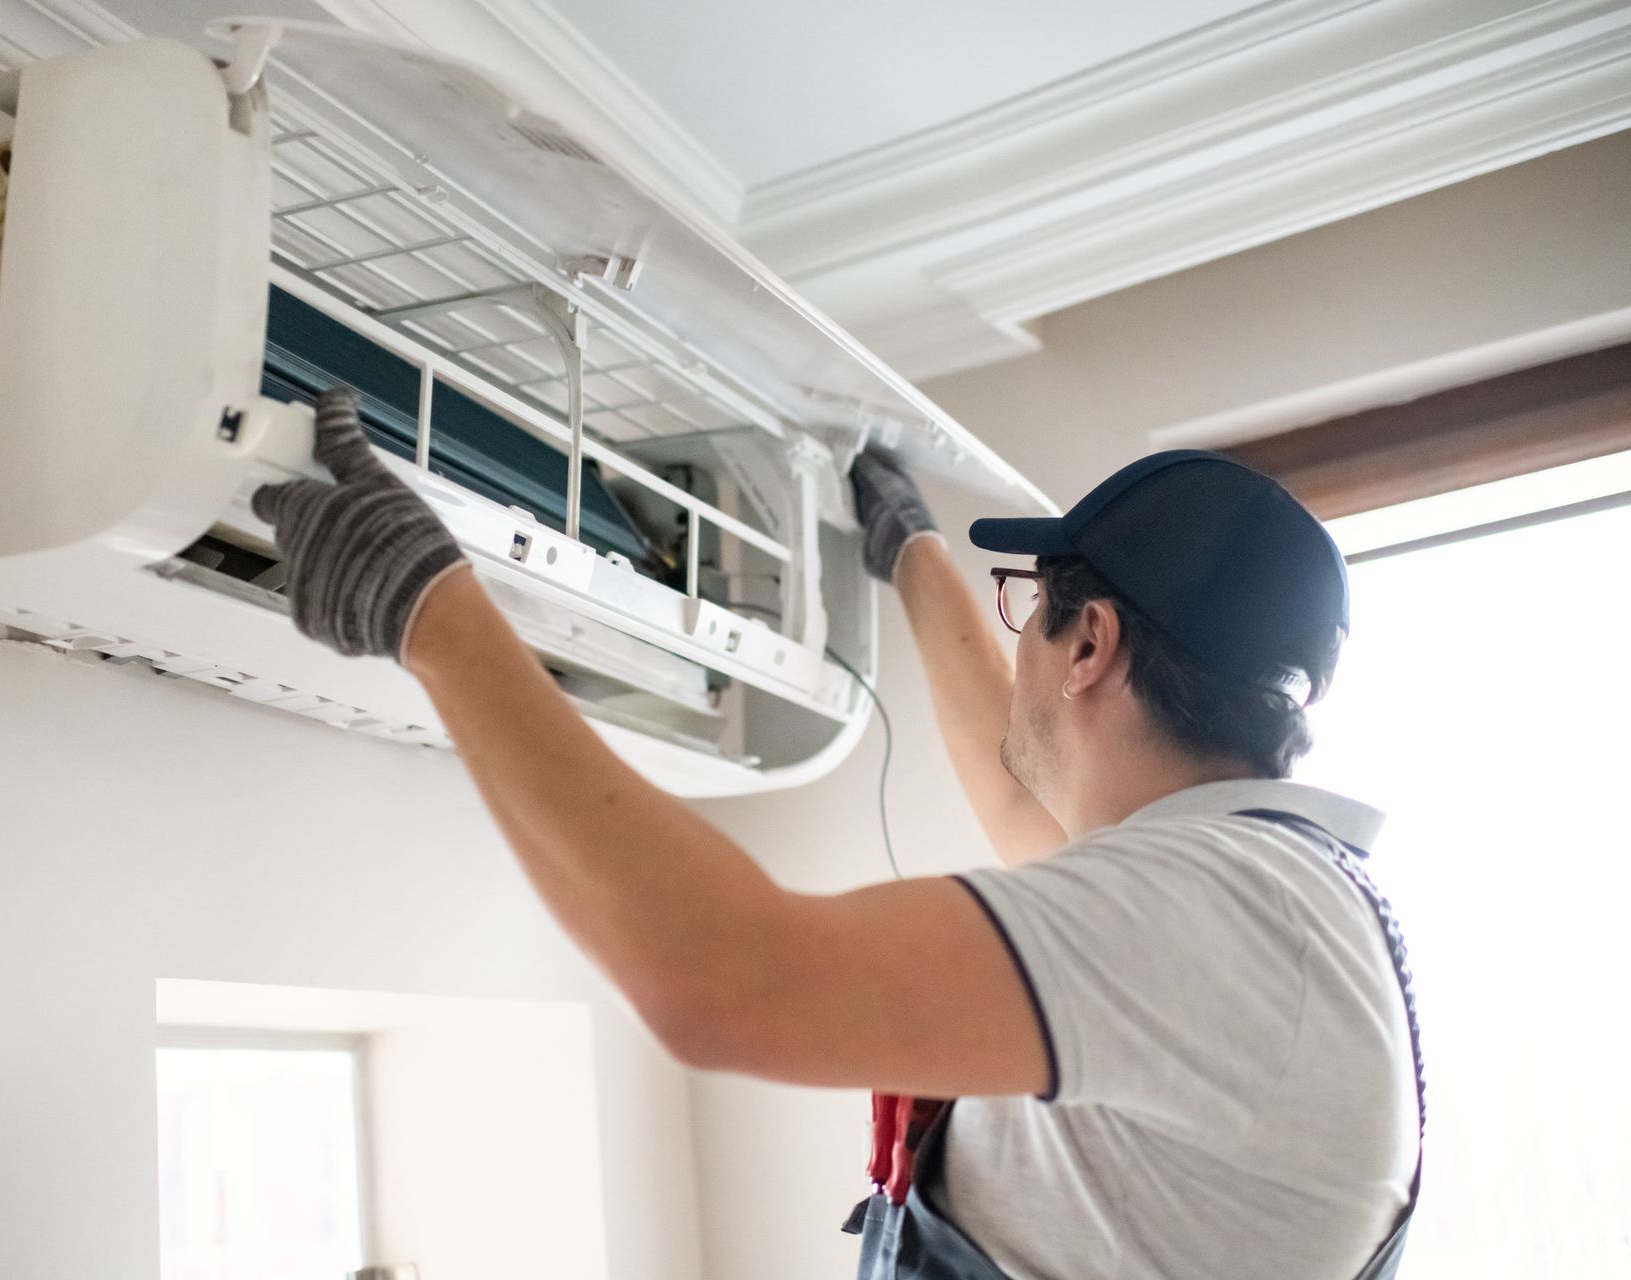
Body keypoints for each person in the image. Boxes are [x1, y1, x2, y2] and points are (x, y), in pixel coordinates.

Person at [252, 389, 1424, 1280]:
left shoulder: (1225, 912)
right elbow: (1019, 801)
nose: (1017, 645)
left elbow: (722, 979)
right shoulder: (1260, 897)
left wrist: (429, 612)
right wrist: (908, 545)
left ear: (1088, 645)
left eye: (1030, 609)